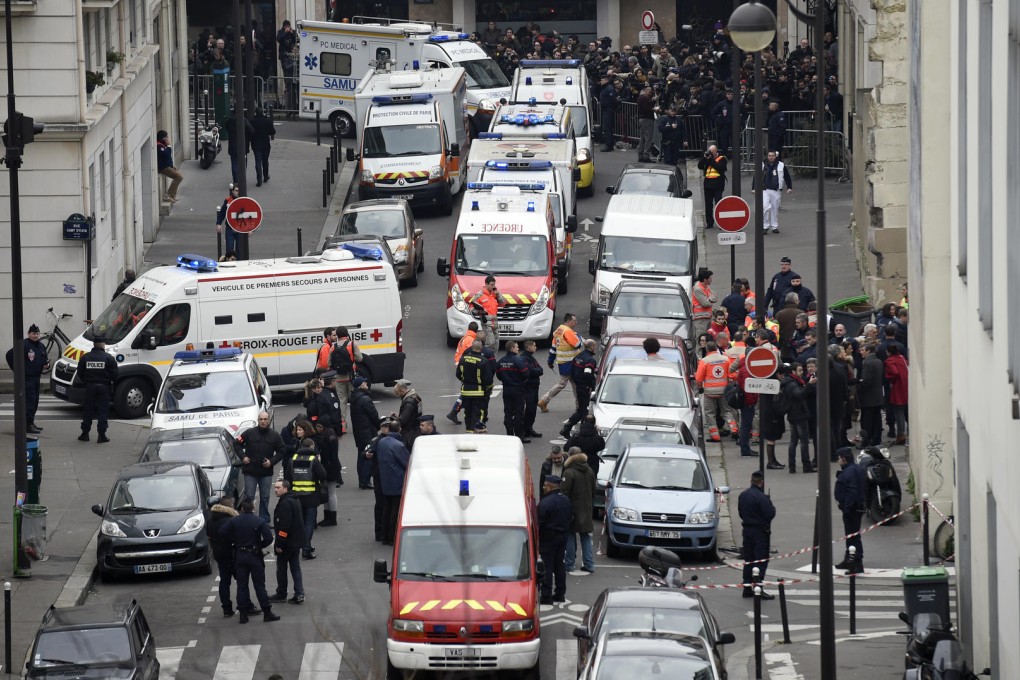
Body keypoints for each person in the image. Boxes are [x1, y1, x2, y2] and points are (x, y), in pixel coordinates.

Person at [219, 498, 279, 624]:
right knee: (259, 586)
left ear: (241, 509)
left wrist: (234, 541)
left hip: (240, 556)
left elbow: (222, 532)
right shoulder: (259, 521)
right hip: (254, 556)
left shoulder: (235, 521)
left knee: (242, 586)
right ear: (253, 508)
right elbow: (268, 538)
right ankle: (267, 612)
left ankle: (243, 615)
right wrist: (259, 546)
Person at [238, 411, 286, 524]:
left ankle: (264, 520)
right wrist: (243, 457)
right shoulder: (249, 433)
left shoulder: (275, 435)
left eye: (265, 419)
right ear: (258, 420)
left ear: (268, 420)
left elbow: (282, 451)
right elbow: (236, 444)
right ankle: (248, 519)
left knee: (265, 497)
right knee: (249, 496)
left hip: (266, 472)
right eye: (261, 419)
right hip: (250, 471)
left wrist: (272, 462)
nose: (263, 421)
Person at [283, 445, 326, 561]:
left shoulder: (293, 459)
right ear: (311, 447)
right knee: (309, 523)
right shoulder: (314, 460)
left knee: (299, 523)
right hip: (311, 496)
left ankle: (302, 545)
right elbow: (323, 475)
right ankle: (306, 549)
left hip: (296, 497)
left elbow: (287, 478)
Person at [738, 471, 777, 599]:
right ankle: (758, 588)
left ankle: (747, 588)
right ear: (762, 482)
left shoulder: (743, 495)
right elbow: (770, 514)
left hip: (747, 530)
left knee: (748, 560)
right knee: (760, 561)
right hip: (760, 532)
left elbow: (741, 513)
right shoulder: (762, 498)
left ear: (751, 481)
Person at [6, 324, 50, 434]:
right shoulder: (24, 344)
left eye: (37, 333)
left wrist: (46, 365)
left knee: (35, 402)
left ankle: (31, 422)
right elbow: (9, 355)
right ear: (28, 334)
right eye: (33, 333)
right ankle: (27, 424)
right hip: (27, 378)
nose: (36, 335)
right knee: (29, 402)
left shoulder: (41, 346)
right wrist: (17, 370)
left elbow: (44, 359)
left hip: (36, 377)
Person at [268, 480, 305, 604]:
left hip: (287, 543)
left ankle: (281, 593)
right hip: (295, 541)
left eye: (278, 487)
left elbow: (284, 527)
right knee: (295, 568)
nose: (275, 490)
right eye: (275, 487)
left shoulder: (285, 503)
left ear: (285, 489)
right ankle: (299, 593)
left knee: (282, 568)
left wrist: (279, 544)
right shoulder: (294, 499)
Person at [537, 475, 573, 604]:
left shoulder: (546, 502)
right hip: (562, 536)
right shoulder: (566, 500)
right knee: (559, 565)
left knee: (547, 565)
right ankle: (560, 593)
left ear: (551, 486)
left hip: (548, 537)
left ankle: (546, 595)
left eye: (545, 485)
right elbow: (570, 517)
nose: (543, 487)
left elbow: (539, 523)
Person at [560, 448, 596, 573]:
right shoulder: (589, 470)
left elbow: (564, 493)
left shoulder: (569, 472)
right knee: (585, 536)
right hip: (586, 508)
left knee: (570, 535)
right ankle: (589, 564)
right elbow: (593, 490)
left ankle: (569, 564)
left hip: (571, 509)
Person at [376, 419, 411, 545]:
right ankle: (392, 536)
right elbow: (407, 463)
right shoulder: (398, 445)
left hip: (385, 479)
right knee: (395, 511)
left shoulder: (381, 442)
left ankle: (384, 536)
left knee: (386, 508)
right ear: (399, 429)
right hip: (397, 480)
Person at [539, 313, 583, 412]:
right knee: (565, 384)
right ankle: (544, 400)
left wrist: (550, 361)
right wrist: (578, 336)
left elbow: (553, 348)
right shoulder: (568, 332)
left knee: (573, 384)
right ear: (568, 321)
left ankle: (579, 406)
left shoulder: (559, 331)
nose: (576, 322)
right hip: (571, 363)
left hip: (563, 362)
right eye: (574, 321)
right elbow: (577, 344)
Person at [696, 340, 737, 442]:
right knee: (727, 411)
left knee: (710, 414)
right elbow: (731, 374)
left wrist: (700, 386)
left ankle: (715, 436)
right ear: (716, 348)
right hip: (724, 391)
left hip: (709, 392)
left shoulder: (704, 361)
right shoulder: (725, 359)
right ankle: (734, 429)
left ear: (707, 349)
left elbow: (699, 378)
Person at [77, 339, 117, 443]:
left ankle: (85, 434)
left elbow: (80, 372)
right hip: (104, 387)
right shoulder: (109, 358)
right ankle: (101, 435)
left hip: (90, 387)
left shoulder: (86, 357)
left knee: (88, 410)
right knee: (102, 411)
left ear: (94, 345)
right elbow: (115, 374)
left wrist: (86, 380)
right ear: (103, 345)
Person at [834, 447, 867, 573]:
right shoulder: (855, 469)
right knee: (851, 536)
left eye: (839, 458)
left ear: (844, 459)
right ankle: (849, 559)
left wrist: (847, 508)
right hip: (854, 508)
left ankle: (856, 562)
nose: (838, 461)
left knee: (853, 536)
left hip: (851, 510)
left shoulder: (849, 472)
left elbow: (852, 492)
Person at [206, 496, 239, 616]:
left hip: (219, 554)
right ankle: (244, 604)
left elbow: (209, 535)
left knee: (224, 581)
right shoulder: (231, 520)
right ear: (229, 506)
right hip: (232, 554)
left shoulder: (211, 520)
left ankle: (226, 608)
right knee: (240, 581)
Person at [781, 362, 816, 472]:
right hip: (798, 414)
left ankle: (792, 466)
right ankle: (806, 465)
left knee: (794, 441)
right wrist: (810, 384)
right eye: (800, 370)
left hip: (793, 414)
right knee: (803, 441)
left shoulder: (793, 381)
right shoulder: (792, 384)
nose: (802, 372)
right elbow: (800, 395)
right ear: (793, 372)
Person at [561, 340, 597, 438]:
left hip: (579, 386)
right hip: (585, 388)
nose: (595, 348)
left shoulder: (578, 356)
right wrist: (590, 386)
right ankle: (580, 433)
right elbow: (587, 374)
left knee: (581, 410)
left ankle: (567, 428)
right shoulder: (590, 360)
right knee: (584, 411)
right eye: (595, 346)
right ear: (592, 347)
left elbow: (572, 371)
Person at [350, 375, 380, 489]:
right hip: (367, 432)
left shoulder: (355, 397)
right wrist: (378, 426)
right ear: (361, 385)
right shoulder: (365, 399)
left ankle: (362, 480)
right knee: (368, 455)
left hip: (359, 432)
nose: (367, 385)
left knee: (361, 455)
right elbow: (374, 415)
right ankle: (366, 481)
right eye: (365, 383)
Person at [457, 339, 494, 433]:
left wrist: (465, 381)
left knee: (467, 412)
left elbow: (458, 374)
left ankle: (469, 430)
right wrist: (489, 387)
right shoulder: (484, 361)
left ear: (471, 347)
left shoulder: (463, 359)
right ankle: (476, 430)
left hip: (465, 390)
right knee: (478, 412)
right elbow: (488, 379)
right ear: (481, 348)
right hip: (479, 391)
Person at [447, 321, 480, 424]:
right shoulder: (471, 340)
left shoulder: (464, 338)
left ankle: (454, 412)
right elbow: (470, 355)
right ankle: (454, 412)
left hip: (460, 365)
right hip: (465, 366)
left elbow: (458, 352)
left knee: (465, 391)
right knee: (466, 392)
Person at [496, 341, 529, 440]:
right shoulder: (518, 361)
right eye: (517, 347)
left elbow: (498, 376)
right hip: (518, 389)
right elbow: (526, 374)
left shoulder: (501, 361)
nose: (518, 349)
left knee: (508, 413)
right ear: (512, 349)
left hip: (506, 389)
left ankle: (509, 435)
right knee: (519, 413)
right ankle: (518, 436)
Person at [756, 150, 793, 234]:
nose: (771, 157)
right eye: (769, 155)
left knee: (775, 208)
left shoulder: (781, 165)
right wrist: (754, 187)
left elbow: (787, 176)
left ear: (775, 156)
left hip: (776, 190)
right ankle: (765, 226)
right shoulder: (762, 165)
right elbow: (757, 176)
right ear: (767, 156)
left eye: (772, 155)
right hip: (765, 189)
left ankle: (774, 226)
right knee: (765, 207)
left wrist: (789, 187)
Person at [330, 326, 363, 417]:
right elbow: (359, 359)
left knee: (342, 401)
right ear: (347, 334)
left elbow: (329, 363)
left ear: (337, 335)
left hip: (339, 378)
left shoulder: (333, 347)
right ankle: (356, 421)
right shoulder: (352, 344)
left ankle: (343, 424)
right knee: (354, 399)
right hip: (351, 376)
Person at [857, 342, 885, 446]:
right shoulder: (878, 361)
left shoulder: (867, 363)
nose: (861, 352)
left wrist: (859, 384)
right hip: (877, 396)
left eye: (863, 350)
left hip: (868, 397)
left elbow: (867, 380)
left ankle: (867, 441)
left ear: (868, 351)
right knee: (877, 419)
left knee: (867, 421)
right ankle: (877, 439)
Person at [469, 275, 504, 351]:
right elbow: (471, 306)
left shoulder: (495, 294)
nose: (493, 286)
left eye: (494, 284)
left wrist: (498, 294)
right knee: (490, 342)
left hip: (495, 322)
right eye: (491, 284)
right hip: (486, 321)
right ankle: (485, 357)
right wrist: (479, 312)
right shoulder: (480, 294)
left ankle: (493, 360)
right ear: (486, 284)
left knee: (496, 342)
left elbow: (502, 303)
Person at [697, 144, 727, 228]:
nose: (710, 154)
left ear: (715, 152)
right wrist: (704, 158)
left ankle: (721, 223)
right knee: (708, 205)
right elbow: (700, 166)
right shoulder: (707, 158)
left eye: (711, 152)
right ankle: (709, 222)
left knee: (718, 205)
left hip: (718, 185)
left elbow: (720, 168)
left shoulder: (722, 159)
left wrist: (711, 160)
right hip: (708, 185)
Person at [884, 344, 908, 445]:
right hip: (906, 386)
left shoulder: (890, 361)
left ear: (889, 352)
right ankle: (905, 433)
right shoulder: (902, 358)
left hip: (897, 388)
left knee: (898, 413)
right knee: (904, 411)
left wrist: (890, 380)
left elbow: (894, 372)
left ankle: (900, 434)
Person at [520, 339, 544, 438]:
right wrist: (537, 370)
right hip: (528, 387)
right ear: (528, 347)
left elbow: (540, 369)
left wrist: (537, 370)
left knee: (533, 408)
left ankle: (529, 428)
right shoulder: (524, 358)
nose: (536, 347)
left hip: (534, 386)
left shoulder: (531, 358)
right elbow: (530, 371)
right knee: (529, 408)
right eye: (534, 346)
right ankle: (525, 429)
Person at [227, 113, 256, 185]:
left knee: (234, 163)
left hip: (233, 145)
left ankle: (236, 180)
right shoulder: (244, 120)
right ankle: (242, 178)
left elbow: (226, 127)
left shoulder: (229, 121)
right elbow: (252, 131)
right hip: (243, 145)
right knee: (243, 162)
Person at [393, 379, 423, 450]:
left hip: (409, 433)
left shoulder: (408, 403)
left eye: (398, 393)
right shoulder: (416, 396)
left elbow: (403, 420)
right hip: (416, 428)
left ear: (402, 391)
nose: (398, 396)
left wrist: (397, 419)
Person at [214, 184, 243, 256]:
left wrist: (249, 230)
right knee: (229, 250)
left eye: (239, 190)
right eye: (236, 190)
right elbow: (222, 212)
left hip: (241, 228)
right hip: (230, 228)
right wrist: (218, 223)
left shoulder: (244, 200)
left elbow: (249, 216)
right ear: (232, 191)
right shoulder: (228, 200)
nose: (238, 192)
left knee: (240, 251)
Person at [250, 107, 276, 186]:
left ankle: (259, 180)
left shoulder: (252, 121)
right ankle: (265, 176)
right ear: (263, 113)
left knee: (258, 162)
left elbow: (250, 132)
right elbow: (273, 132)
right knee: (265, 161)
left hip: (256, 144)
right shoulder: (267, 121)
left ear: (255, 113)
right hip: (265, 144)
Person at [156, 130, 182, 204]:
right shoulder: (159, 146)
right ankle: (168, 195)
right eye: (166, 137)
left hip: (167, 166)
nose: (168, 138)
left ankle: (172, 196)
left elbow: (168, 158)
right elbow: (166, 155)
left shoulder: (162, 146)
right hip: (163, 168)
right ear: (163, 138)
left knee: (179, 174)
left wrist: (171, 165)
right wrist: (169, 145)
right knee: (178, 177)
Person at [691, 269, 717, 340]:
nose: (711, 280)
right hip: (700, 319)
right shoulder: (697, 289)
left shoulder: (707, 287)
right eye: (710, 278)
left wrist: (709, 299)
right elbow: (706, 303)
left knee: (707, 339)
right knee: (701, 340)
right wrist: (709, 300)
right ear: (705, 280)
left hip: (707, 317)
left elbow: (715, 297)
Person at [599, 75, 620, 151]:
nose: (601, 81)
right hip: (606, 110)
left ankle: (609, 145)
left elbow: (613, 100)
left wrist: (612, 108)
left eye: (602, 80)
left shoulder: (609, 88)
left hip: (608, 110)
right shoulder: (605, 88)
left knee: (608, 128)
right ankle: (609, 144)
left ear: (606, 80)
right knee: (607, 128)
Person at [636, 86, 655, 162]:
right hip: (647, 119)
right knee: (648, 139)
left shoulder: (640, 98)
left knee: (642, 138)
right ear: (646, 91)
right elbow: (646, 109)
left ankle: (640, 155)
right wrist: (653, 109)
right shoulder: (645, 98)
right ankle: (646, 156)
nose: (650, 94)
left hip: (642, 119)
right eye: (650, 92)